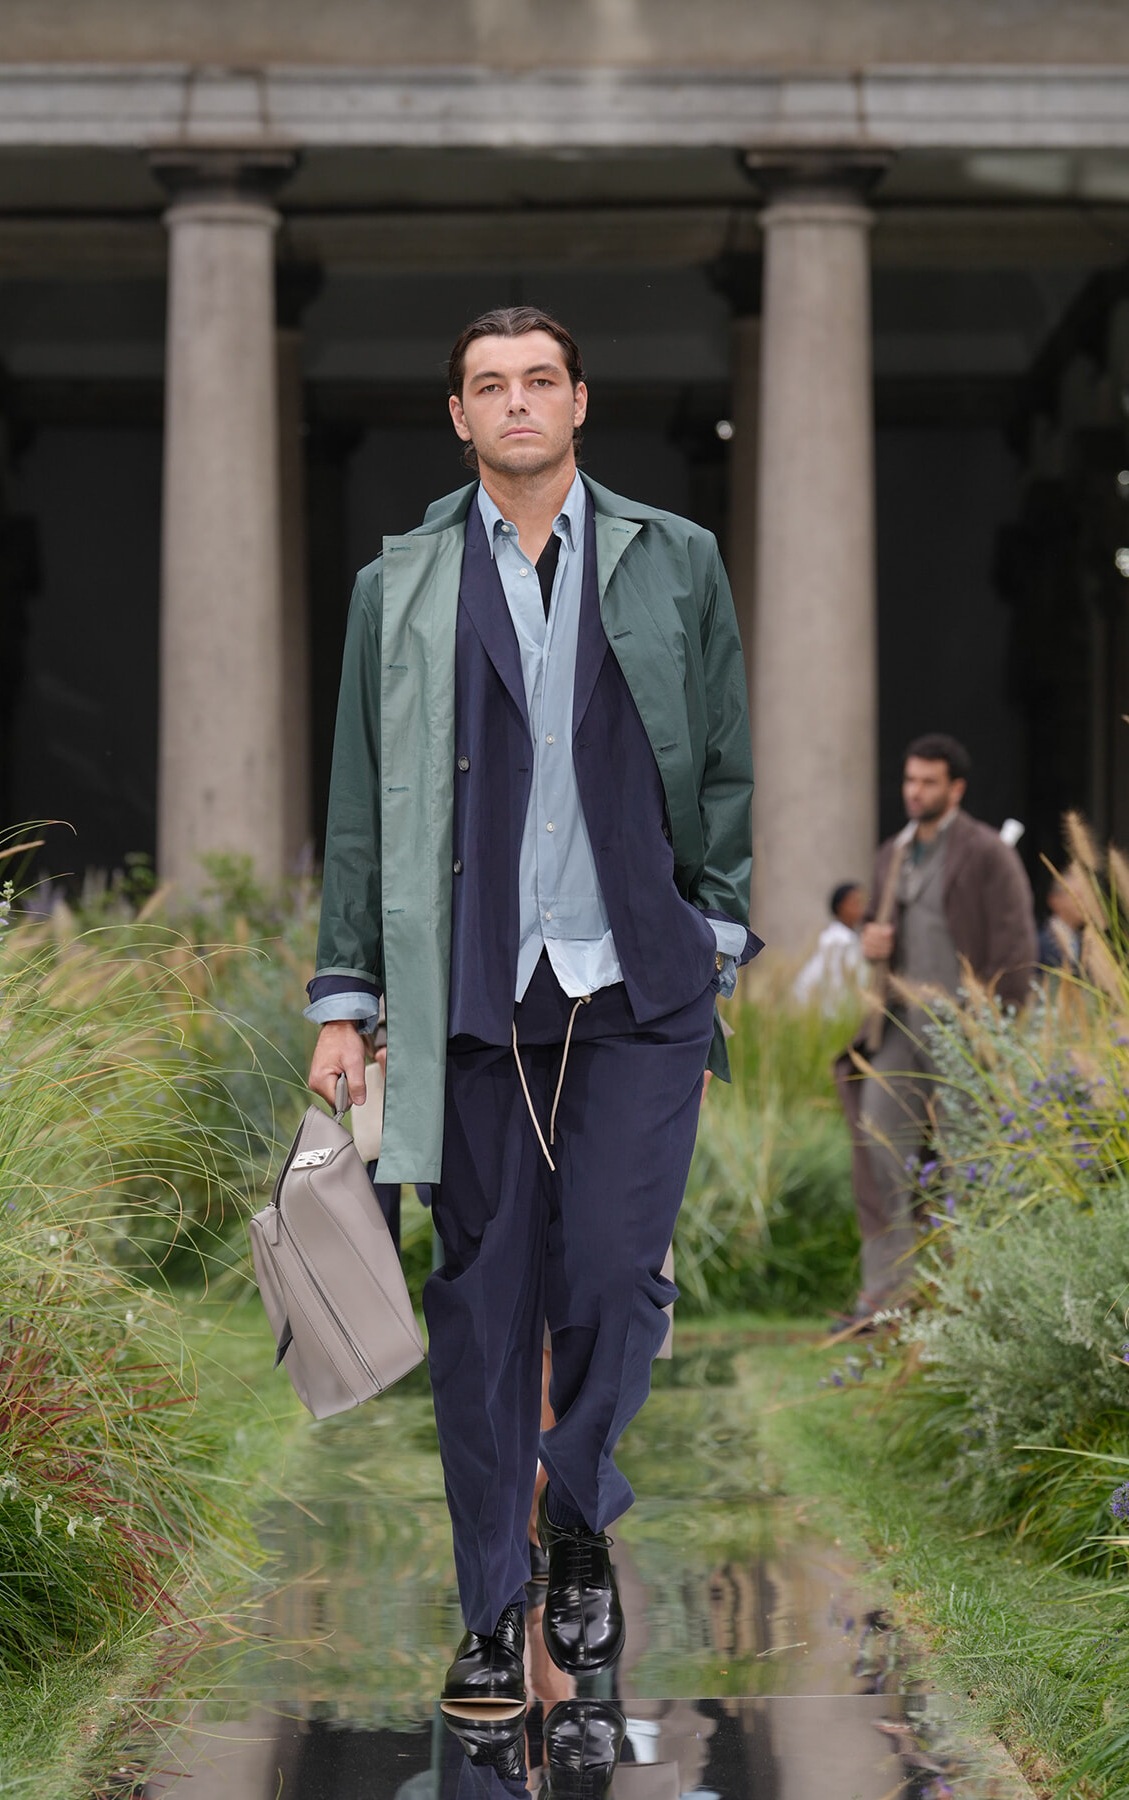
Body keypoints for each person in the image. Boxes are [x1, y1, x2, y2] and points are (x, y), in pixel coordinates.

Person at [303, 306, 757, 1730]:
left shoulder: (672, 557)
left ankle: (575, 1517)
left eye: (539, 381)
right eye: (489, 386)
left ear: (578, 401)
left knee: (617, 1280)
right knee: (482, 1314)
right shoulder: (405, 582)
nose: (516, 405)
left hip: (639, 986)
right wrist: (345, 995)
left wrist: (718, 925)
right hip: (472, 999)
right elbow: (363, 803)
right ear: (458, 416)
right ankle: (495, 1614)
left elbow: (729, 760)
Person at [837, 734, 1035, 1324]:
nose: (914, 791)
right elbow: (880, 928)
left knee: (965, 1162)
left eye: (927, 782)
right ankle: (887, 1296)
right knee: (879, 1144)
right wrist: (872, 936)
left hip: (964, 1033)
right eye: (909, 780)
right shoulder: (892, 852)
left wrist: (998, 1033)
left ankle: (966, 1297)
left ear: (956, 788)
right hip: (897, 1024)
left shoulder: (986, 853)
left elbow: (1017, 947)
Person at [792, 880, 867, 1009]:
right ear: (840, 907)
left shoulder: (852, 938)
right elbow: (836, 984)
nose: (860, 909)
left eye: (861, 903)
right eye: (854, 903)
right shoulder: (836, 942)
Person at [1038, 871, 1085, 973]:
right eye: (1078, 896)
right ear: (1055, 900)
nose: (1084, 903)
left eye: (1086, 897)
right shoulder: (1039, 945)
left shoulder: (1086, 943)